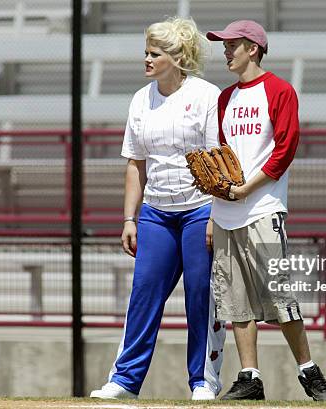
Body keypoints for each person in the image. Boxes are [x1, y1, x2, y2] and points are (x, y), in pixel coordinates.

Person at [90, 17, 226, 401]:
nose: (146, 59)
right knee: (144, 294)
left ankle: (203, 381)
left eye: (154, 53)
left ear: (177, 57)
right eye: (145, 52)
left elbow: (218, 161)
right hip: (156, 212)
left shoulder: (205, 95)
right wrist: (129, 218)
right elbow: (135, 163)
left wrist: (217, 215)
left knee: (202, 295)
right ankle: (125, 381)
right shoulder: (140, 99)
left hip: (200, 209)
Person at [205, 20, 326, 401]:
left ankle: (308, 371)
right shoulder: (224, 97)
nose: (226, 52)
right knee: (235, 299)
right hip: (227, 212)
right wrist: (216, 209)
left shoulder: (280, 91)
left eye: (233, 45)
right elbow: (222, 158)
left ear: (254, 48)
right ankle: (250, 377)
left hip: (263, 208)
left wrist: (246, 188)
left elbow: (284, 150)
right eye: (225, 45)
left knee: (279, 296)